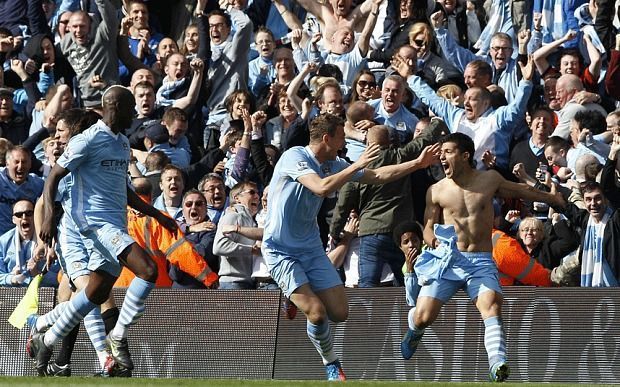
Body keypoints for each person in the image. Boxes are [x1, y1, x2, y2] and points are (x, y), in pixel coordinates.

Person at [261, 113, 440, 380]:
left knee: (340, 313)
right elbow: (321, 188)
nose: (345, 142)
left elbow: (379, 175)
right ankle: (331, 362)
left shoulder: (333, 163)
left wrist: (416, 163)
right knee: (318, 314)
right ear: (327, 138)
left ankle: (293, 293)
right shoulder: (294, 157)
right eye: (342, 136)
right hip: (280, 249)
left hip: (310, 248)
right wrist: (353, 167)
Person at [31, 86, 177, 375]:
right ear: (113, 107)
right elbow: (53, 179)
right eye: (130, 107)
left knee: (94, 294)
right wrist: (47, 219)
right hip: (94, 223)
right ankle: (117, 337)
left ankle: (45, 338)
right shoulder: (87, 140)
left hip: (115, 222)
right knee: (147, 270)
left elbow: (124, 191)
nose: (135, 113)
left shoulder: (122, 142)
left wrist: (156, 214)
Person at [401, 133, 565, 382]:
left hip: (480, 260)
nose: (441, 157)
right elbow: (427, 225)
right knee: (424, 316)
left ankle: (497, 363)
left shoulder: (489, 179)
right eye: (441, 152)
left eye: (447, 152)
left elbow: (521, 190)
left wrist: (551, 198)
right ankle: (414, 330)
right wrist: (431, 239)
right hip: (447, 259)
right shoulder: (436, 190)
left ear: (465, 156)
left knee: (492, 305)